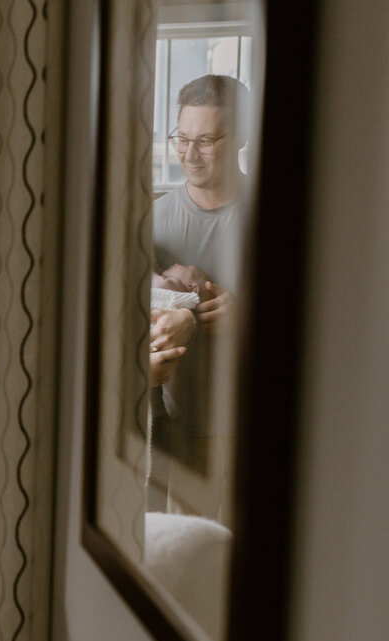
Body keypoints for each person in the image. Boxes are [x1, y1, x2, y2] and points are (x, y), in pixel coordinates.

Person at [150, 74, 249, 519]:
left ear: (242, 135)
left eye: (206, 141)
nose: (189, 155)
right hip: (176, 426)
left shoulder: (278, 214)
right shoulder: (154, 220)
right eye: (181, 138)